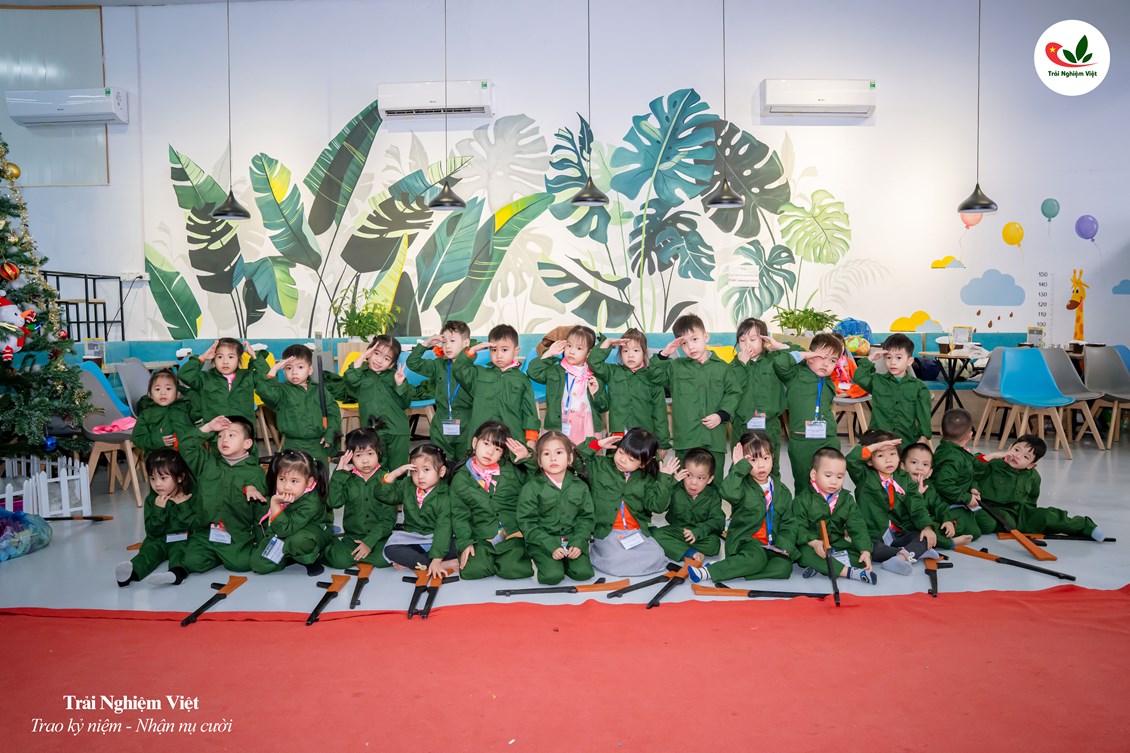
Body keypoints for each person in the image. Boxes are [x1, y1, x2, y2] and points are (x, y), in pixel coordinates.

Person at [689, 434, 797, 583]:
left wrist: (785, 545)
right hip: (745, 542)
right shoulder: (741, 485)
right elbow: (727, 492)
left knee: (784, 568)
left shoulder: (782, 491)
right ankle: (709, 571)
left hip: (771, 544)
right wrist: (738, 468)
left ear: (773, 457)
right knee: (757, 558)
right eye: (753, 460)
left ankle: (737, 568)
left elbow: (789, 523)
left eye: (766, 458)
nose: (761, 465)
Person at [647, 314, 741, 476]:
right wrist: (665, 353)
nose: (691, 347)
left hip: (714, 440)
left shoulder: (723, 368)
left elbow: (734, 392)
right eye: (684, 343)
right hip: (686, 440)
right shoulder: (675, 367)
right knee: (684, 481)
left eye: (695, 339)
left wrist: (721, 415)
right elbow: (653, 376)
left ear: (706, 337)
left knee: (713, 481)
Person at [579, 429, 677, 576]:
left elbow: (657, 507)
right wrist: (597, 444)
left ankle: (617, 560)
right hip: (608, 531)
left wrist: (665, 479)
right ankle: (599, 552)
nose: (623, 460)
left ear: (643, 464)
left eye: (631, 459)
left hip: (635, 532)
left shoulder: (646, 479)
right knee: (616, 559)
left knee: (657, 554)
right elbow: (575, 459)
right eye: (621, 452)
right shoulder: (599, 466)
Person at [178, 416, 269, 574]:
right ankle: (217, 554)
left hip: (236, 534)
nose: (224, 439)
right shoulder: (206, 463)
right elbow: (186, 446)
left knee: (242, 564)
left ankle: (225, 554)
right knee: (192, 562)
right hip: (207, 532)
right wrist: (208, 427)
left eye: (232, 435)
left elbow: (261, 512)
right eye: (220, 436)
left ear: (247, 444)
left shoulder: (256, 473)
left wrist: (260, 540)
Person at [975, 435, 1109, 540]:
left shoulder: (1034, 477)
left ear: (1031, 465)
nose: (1017, 456)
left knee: (1049, 516)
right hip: (989, 509)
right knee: (987, 523)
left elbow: (1032, 499)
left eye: (1026, 456)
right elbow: (973, 467)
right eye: (1016, 450)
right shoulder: (993, 464)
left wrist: (1033, 517)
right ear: (1010, 447)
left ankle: (1087, 527)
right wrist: (992, 456)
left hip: (1021, 514)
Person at [846, 430, 938, 576]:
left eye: (892, 454)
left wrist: (927, 527)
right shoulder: (864, 476)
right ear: (869, 461)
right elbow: (851, 460)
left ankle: (901, 556)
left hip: (897, 533)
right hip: (874, 535)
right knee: (872, 549)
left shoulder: (904, 478)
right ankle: (910, 553)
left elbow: (917, 505)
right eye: (880, 455)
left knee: (924, 535)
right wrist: (874, 447)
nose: (888, 460)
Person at [450, 421, 535, 580]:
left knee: (515, 570)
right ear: (475, 443)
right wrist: (465, 542)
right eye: (486, 444)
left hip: (512, 533)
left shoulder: (511, 470)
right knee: (472, 572)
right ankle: (489, 557)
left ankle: (511, 556)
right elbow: (459, 515)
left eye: (497, 449)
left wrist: (527, 458)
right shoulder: (460, 479)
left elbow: (537, 483)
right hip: (481, 536)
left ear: (503, 453)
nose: (490, 452)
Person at [516, 431, 596, 584]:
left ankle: (566, 560)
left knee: (583, 573)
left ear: (570, 458)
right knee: (552, 576)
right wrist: (550, 546)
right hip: (543, 541)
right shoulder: (531, 488)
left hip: (571, 538)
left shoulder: (580, 486)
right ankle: (543, 560)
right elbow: (527, 522)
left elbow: (586, 518)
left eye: (559, 452)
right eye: (546, 454)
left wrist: (578, 543)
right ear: (539, 461)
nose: (553, 458)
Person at [115, 450, 197, 587]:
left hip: (182, 538)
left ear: (180, 477)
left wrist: (183, 506)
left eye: (163, 478)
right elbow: (152, 531)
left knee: (181, 552)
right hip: (159, 539)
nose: (157, 484)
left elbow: (193, 526)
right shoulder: (151, 500)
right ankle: (129, 574)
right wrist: (159, 509)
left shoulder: (188, 496)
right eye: (152, 479)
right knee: (149, 551)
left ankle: (176, 574)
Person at [794, 447, 876, 584]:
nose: (834, 481)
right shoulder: (802, 500)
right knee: (803, 555)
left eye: (839, 477)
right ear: (814, 475)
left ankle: (822, 566)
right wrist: (814, 543)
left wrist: (865, 550)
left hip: (837, 544)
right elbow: (798, 527)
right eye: (828, 476)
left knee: (862, 557)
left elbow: (857, 526)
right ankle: (849, 572)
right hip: (812, 545)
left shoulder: (846, 499)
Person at [451, 324, 540, 448]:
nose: (499, 355)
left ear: (516, 351)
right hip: (482, 438)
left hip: (511, 440)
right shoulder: (479, 374)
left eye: (504, 350)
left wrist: (531, 439)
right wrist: (472, 350)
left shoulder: (521, 380)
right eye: (494, 350)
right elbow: (459, 369)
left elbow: (529, 411)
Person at [376, 444, 457, 579]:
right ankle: (438, 564)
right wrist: (395, 474)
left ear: (441, 471)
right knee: (391, 549)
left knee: (462, 544)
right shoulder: (407, 484)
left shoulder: (446, 495)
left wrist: (437, 558)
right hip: (413, 538)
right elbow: (384, 495)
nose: (420, 476)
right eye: (414, 471)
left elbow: (444, 529)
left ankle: (424, 563)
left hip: (440, 538)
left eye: (426, 470)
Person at [252, 344, 341, 466]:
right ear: (283, 370)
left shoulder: (320, 390)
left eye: (300, 367)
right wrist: (274, 369)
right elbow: (264, 392)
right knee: (293, 475)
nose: (294, 372)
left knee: (319, 476)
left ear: (310, 369)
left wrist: (330, 434)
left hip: (319, 446)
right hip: (292, 447)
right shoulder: (281, 392)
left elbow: (334, 414)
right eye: (288, 368)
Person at [324, 427, 398, 570]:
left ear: (378, 453)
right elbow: (333, 502)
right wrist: (339, 474)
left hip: (378, 538)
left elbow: (388, 519)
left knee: (382, 560)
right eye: (358, 455)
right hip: (353, 538)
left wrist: (369, 542)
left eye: (370, 453)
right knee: (339, 560)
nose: (365, 460)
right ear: (350, 457)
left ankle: (364, 553)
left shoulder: (387, 479)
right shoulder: (347, 478)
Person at [775, 332, 844, 487]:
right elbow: (780, 363)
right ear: (810, 355)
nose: (826, 364)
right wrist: (804, 354)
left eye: (832, 361)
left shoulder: (828, 382)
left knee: (829, 484)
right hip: (802, 441)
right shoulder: (795, 374)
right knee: (803, 484)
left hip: (828, 439)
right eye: (822, 357)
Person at [728, 318, 794, 475]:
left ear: (764, 340)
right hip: (741, 426)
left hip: (769, 425)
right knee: (741, 468)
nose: (747, 345)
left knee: (771, 467)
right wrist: (741, 365)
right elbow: (730, 390)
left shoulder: (775, 361)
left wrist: (780, 346)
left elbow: (798, 356)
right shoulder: (734, 365)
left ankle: (772, 490)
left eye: (753, 339)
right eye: (742, 340)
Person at [587, 328, 670, 449]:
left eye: (636, 350)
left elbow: (660, 414)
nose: (630, 355)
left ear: (644, 352)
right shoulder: (613, 372)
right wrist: (608, 342)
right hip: (618, 437)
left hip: (644, 437)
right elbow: (594, 362)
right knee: (617, 460)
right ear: (620, 353)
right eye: (625, 351)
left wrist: (662, 444)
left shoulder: (652, 377)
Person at [252, 450, 332, 576]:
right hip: (286, 530)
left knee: (298, 540)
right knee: (258, 564)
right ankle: (290, 555)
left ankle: (311, 558)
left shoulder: (311, 502)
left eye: (294, 481)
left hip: (312, 533)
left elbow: (284, 530)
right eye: (282, 479)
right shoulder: (281, 493)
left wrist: (275, 504)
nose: (286, 486)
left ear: (309, 482)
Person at [528, 325, 609, 445]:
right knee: (558, 452)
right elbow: (534, 372)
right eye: (569, 345)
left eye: (579, 348)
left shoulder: (594, 376)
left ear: (589, 353)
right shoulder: (556, 371)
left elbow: (604, 406)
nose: (571, 351)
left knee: (586, 454)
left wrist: (595, 394)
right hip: (558, 426)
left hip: (586, 428)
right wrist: (549, 353)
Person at [407, 320, 476, 459]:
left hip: (466, 422)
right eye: (444, 342)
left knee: (465, 462)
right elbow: (412, 363)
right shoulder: (439, 365)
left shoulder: (472, 370)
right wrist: (427, 343)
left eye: (452, 341)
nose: (447, 346)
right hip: (441, 421)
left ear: (466, 343)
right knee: (440, 461)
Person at [342, 335, 412, 468]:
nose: (379, 360)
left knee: (399, 470)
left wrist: (400, 384)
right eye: (376, 353)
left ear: (392, 364)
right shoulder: (360, 375)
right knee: (375, 470)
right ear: (369, 352)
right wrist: (362, 357)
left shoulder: (396, 377)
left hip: (398, 432)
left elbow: (406, 403)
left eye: (386, 358)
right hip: (373, 434)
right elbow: (350, 380)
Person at [852, 334, 932, 447]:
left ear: (909, 361)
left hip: (906, 442)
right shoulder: (877, 381)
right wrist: (870, 359)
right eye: (888, 357)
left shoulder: (918, 387)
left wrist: (923, 438)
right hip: (879, 442)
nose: (892, 362)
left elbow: (924, 416)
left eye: (898, 358)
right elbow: (858, 377)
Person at [651, 448, 725, 563]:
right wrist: (668, 482)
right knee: (655, 534)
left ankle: (676, 547)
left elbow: (718, 521)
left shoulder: (713, 495)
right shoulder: (675, 488)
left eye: (700, 478)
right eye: (689, 475)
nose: (693, 482)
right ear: (682, 472)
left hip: (699, 535)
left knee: (714, 544)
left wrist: (698, 532)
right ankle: (690, 553)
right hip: (677, 531)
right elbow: (659, 508)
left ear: (709, 479)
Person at [931, 409, 995, 541]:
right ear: (970, 435)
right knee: (974, 533)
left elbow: (966, 475)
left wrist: (973, 487)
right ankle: (937, 528)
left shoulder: (960, 453)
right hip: (946, 502)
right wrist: (967, 498)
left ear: (941, 431)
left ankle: (964, 517)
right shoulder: (952, 457)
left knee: (989, 524)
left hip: (961, 499)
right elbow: (943, 484)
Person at [900, 442, 974, 550]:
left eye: (925, 464)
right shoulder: (900, 485)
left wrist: (946, 520)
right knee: (921, 534)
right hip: (908, 524)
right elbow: (908, 512)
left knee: (954, 525)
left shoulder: (928, 484)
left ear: (930, 472)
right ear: (902, 466)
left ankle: (942, 533)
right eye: (914, 462)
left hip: (928, 520)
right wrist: (917, 494)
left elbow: (938, 504)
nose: (919, 467)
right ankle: (950, 543)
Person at [176, 338, 263, 423]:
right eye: (220, 357)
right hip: (214, 430)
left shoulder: (248, 376)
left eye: (231, 357)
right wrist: (202, 358)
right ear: (214, 358)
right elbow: (184, 374)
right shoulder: (205, 378)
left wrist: (254, 356)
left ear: (238, 358)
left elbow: (265, 378)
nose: (225, 362)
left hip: (242, 429)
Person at [130, 369, 198, 453]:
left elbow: (200, 407)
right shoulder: (147, 414)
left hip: (186, 454)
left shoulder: (186, 407)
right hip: (158, 456)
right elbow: (137, 438)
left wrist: (186, 390)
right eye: (157, 389)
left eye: (168, 388)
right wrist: (157, 440)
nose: (162, 393)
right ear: (150, 394)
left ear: (177, 393)